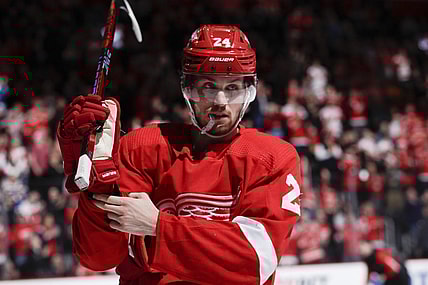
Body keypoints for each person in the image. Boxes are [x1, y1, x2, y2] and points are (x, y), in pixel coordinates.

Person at [58, 24, 302, 285]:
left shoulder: (272, 158)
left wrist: (158, 226)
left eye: (232, 88)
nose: (220, 100)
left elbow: (255, 260)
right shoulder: (140, 148)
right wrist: (97, 184)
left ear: (250, 93)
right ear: (188, 89)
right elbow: (97, 258)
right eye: (208, 86)